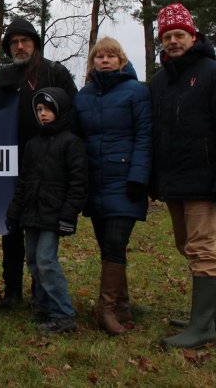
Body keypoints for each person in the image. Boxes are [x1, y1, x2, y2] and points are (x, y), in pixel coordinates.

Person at [149, 3, 216, 349]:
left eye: (180, 35)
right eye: (167, 36)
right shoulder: (159, 82)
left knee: (203, 247)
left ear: (193, 36)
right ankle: (212, 316)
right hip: (174, 181)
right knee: (186, 245)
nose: (173, 41)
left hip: (205, 181)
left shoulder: (214, 75)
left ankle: (203, 326)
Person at [0, 18, 77, 309]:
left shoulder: (55, 73)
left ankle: (41, 294)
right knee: (12, 230)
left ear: (35, 44)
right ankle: (12, 290)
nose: (20, 46)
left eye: (25, 41)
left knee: (40, 231)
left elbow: (74, 114)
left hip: (48, 166)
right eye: (14, 42)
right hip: (9, 165)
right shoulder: (2, 77)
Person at [73, 37, 152, 335]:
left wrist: (138, 177)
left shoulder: (136, 93)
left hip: (125, 181)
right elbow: (77, 140)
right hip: (95, 183)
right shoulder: (83, 96)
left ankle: (105, 310)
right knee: (107, 247)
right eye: (99, 57)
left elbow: (145, 137)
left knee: (116, 244)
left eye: (111, 56)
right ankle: (122, 305)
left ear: (121, 60)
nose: (105, 60)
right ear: (92, 63)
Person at [5, 88, 87, 334]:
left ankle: (64, 314)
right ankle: (44, 306)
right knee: (32, 260)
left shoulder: (71, 143)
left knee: (46, 260)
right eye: (39, 110)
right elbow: (24, 181)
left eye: (48, 109)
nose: (43, 114)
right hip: (31, 213)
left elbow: (78, 184)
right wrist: (15, 210)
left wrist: (68, 214)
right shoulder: (33, 144)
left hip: (54, 214)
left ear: (60, 110)